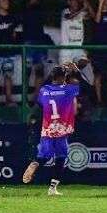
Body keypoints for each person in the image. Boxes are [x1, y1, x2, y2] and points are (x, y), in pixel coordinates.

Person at [21, 66, 79, 196]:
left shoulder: (44, 90)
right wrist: (75, 70)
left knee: (44, 156)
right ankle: (52, 188)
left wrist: (31, 118)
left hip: (47, 128)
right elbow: (81, 83)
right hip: (62, 129)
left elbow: (38, 106)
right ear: (62, 77)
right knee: (61, 158)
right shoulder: (68, 90)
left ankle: (35, 163)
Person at [22, 0, 52, 101]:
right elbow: (31, 1)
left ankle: (36, 99)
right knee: (27, 71)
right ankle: (24, 99)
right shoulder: (26, 5)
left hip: (40, 41)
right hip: (29, 41)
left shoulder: (40, 6)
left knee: (40, 71)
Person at [59, 0, 95, 68]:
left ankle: (73, 72)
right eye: (74, 0)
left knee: (83, 62)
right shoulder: (65, 11)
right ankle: (71, 74)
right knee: (65, 72)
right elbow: (69, 17)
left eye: (77, 0)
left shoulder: (81, 14)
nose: (76, 2)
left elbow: (93, 16)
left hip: (78, 47)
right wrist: (83, 9)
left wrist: (86, 1)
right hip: (66, 48)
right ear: (69, 2)